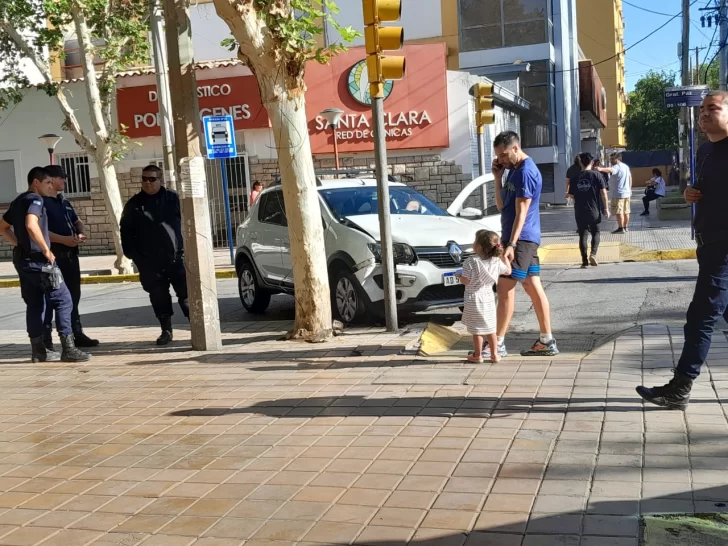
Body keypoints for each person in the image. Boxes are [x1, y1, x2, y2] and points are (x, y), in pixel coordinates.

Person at [637, 91, 728, 410]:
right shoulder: (705, 150)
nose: (704, 114)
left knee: (700, 318)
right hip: (708, 243)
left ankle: (680, 387)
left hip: (724, 248)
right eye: (702, 109)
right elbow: (705, 188)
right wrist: (691, 194)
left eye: (712, 108)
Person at [0, 167, 90, 363]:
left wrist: (18, 244)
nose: (51, 186)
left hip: (23, 260)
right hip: (39, 261)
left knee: (35, 304)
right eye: (48, 182)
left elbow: (2, 227)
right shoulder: (35, 200)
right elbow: (32, 224)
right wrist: (46, 250)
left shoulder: (19, 200)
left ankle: (39, 351)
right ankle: (68, 349)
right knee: (64, 300)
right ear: (36, 182)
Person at [492, 131, 559, 357]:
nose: (500, 159)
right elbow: (502, 207)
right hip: (521, 238)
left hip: (521, 239)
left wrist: (510, 244)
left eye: (503, 155)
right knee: (532, 286)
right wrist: (497, 177)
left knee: (504, 288)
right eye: (498, 156)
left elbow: (522, 211)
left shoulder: (526, 172)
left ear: (515, 148)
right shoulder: (512, 172)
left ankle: (498, 344)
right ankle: (546, 340)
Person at [120, 165, 189, 345]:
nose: (147, 183)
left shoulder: (173, 198)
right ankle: (166, 330)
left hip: (176, 258)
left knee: (186, 294)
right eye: (144, 179)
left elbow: (188, 221)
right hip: (149, 262)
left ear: (160, 180)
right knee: (158, 296)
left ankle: (196, 328)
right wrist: (133, 256)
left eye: (152, 179)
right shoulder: (134, 204)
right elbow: (125, 231)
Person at [41, 165, 99, 349]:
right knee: (55, 299)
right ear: (50, 179)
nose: (64, 181)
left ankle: (76, 333)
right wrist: (64, 240)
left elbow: (76, 220)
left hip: (71, 257)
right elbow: (41, 231)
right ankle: (49, 340)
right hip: (54, 258)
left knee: (73, 297)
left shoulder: (63, 201)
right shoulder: (40, 203)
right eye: (61, 177)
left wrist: (80, 233)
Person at [458, 230, 511, 364]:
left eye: (475, 241)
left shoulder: (470, 262)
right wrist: (504, 259)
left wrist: (459, 277)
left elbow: (467, 281)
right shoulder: (495, 262)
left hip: (473, 298)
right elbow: (508, 271)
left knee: (477, 330)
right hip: (488, 297)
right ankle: (495, 355)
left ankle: (478, 355)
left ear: (479, 247)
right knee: (491, 328)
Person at [568, 153, 610, 268]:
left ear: (580, 162)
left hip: (579, 210)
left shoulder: (575, 178)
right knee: (596, 232)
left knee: (583, 235)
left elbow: (570, 195)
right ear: (592, 162)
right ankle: (593, 254)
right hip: (594, 209)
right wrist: (606, 208)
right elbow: (604, 193)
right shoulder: (597, 175)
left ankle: (584, 261)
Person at [597, 152, 632, 234]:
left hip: (618, 193)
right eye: (610, 159)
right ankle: (625, 227)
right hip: (626, 193)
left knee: (619, 211)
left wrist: (600, 169)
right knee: (626, 211)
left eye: (612, 159)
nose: (611, 161)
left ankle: (621, 228)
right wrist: (629, 189)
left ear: (618, 159)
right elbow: (630, 178)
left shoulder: (617, 167)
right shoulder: (625, 166)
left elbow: (611, 170)